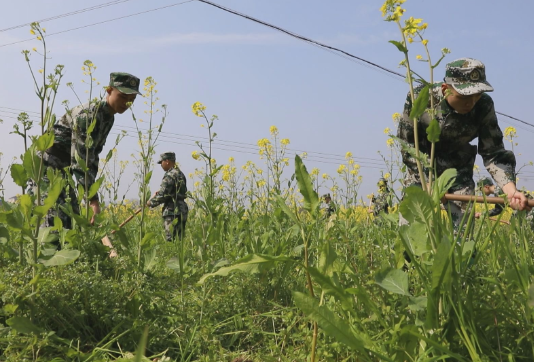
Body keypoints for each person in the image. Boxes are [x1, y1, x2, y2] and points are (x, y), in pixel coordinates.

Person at [397, 58, 530, 229]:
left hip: (458, 171)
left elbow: (494, 152)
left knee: (462, 238)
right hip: (421, 172)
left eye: (477, 95)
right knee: (411, 233)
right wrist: (427, 183)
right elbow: (408, 144)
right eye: (464, 96)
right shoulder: (420, 98)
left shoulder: (484, 105)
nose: (471, 102)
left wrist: (511, 191)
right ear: (446, 89)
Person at [38, 72, 140, 229]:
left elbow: (92, 156)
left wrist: (90, 193)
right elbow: (81, 159)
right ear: (109, 90)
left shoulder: (108, 117)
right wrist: (92, 199)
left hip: (63, 169)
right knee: (53, 221)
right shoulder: (89, 115)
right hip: (46, 166)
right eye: (122, 97)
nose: (126, 103)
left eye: (131, 100)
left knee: (70, 219)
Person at [147, 152, 189, 241]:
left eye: (161, 162)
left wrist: (150, 202)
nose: (161, 165)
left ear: (167, 161)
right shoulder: (181, 174)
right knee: (179, 239)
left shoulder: (170, 175)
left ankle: (172, 254)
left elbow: (163, 195)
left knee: (171, 239)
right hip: (182, 209)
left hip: (172, 210)